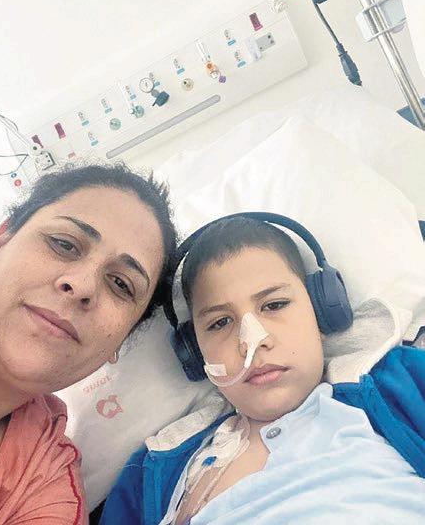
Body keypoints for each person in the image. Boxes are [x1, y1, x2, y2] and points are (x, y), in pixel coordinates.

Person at [101, 216, 425, 524]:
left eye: (274, 305)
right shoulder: (151, 472)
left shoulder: (401, 381)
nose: (252, 343)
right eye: (220, 322)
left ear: (321, 312)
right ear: (195, 352)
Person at [0, 162, 178, 524]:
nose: (82, 286)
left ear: (121, 341)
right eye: (64, 244)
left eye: (121, 284)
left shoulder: (49, 487)